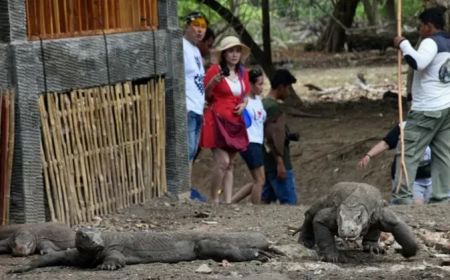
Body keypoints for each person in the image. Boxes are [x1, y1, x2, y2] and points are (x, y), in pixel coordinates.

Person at [392, 7, 450, 204]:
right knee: (443, 154)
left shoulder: (430, 42)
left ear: (428, 26)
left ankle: (402, 198)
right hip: (446, 107)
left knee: (407, 151)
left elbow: (419, 62)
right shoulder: (448, 42)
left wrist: (403, 44)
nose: (419, 30)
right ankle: (442, 198)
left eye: (420, 26)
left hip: (427, 108)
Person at [200, 35, 251, 204]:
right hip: (216, 120)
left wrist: (244, 105)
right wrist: (213, 83)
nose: (234, 55)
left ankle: (227, 202)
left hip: (235, 121)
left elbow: (246, 95)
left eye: (237, 51)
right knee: (223, 161)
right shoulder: (215, 70)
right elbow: (205, 96)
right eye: (230, 51)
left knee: (230, 164)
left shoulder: (243, 73)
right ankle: (214, 199)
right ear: (224, 54)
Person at [358, 123, 432, 204]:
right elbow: (386, 143)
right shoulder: (403, 127)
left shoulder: (439, 125)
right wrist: (369, 155)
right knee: (415, 204)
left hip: (433, 177)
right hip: (408, 178)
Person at [261, 69, 299, 205]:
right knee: (290, 203)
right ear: (281, 87)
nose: (288, 92)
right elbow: (273, 138)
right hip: (278, 164)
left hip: (266, 162)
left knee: (264, 201)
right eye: (288, 88)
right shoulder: (272, 108)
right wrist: (280, 162)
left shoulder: (263, 104)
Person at [231, 67, 267, 204]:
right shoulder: (244, 101)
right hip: (249, 141)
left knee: (258, 179)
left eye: (263, 83)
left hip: (258, 141)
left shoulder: (258, 99)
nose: (262, 87)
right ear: (250, 84)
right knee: (260, 180)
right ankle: (255, 209)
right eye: (259, 84)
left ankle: (230, 202)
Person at [183, 11, 207, 195]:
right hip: (187, 107)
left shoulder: (197, 50)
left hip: (198, 108)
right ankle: (183, 189)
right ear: (187, 26)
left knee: (193, 151)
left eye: (203, 26)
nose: (199, 30)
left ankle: (187, 188)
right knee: (187, 150)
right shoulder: (181, 46)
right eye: (196, 25)